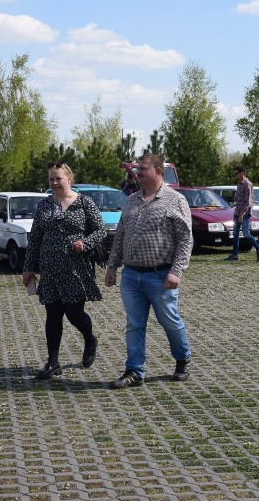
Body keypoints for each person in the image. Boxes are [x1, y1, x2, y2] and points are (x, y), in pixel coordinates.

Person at [105, 154, 193, 389]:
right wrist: (112, 266)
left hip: (160, 276)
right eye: (137, 169)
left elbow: (185, 240)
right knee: (134, 324)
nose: (138, 173)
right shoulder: (131, 200)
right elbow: (121, 236)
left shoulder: (175, 200)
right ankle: (135, 371)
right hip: (132, 276)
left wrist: (177, 271)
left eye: (143, 169)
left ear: (158, 171)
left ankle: (182, 358)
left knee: (169, 321)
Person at [21, 161, 106, 380]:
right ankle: (53, 362)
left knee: (74, 313)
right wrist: (29, 268)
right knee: (53, 315)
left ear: (69, 178)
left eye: (58, 178)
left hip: (76, 268)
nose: (54, 182)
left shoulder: (84, 203)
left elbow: (100, 230)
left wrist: (85, 243)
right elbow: (35, 238)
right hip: (50, 268)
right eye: (51, 179)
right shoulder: (44, 205)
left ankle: (90, 339)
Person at [225, 166, 259, 262]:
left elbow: (248, 202)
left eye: (236, 173)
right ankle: (235, 254)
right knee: (235, 234)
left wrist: (242, 214)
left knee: (246, 233)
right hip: (237, 212)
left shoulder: (247, 184)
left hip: (244, 213)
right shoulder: (239, 184)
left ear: (242, 173)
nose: (235, 175)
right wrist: (237, 212)